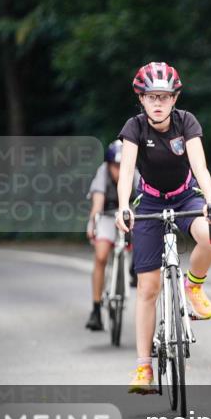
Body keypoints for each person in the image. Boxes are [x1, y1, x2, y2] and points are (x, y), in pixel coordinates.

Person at [115, 62, 211, 394]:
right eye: (151, 97)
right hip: (149, 202)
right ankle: (143, 368)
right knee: (148, 289)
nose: (158, 103)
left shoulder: (185, 122)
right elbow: (127, 170)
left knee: (210, 234)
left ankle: (194, 287)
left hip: (185, 197)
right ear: (142, 100)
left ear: (174, 98)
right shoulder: (134, 128)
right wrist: (122, 206)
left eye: (164, 97)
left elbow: (200, 166)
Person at [84, 140, 140, 331]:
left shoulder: (135, 173)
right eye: (115, 166)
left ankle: (134, 269)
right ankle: (96, 309)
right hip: (107, 215)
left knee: (143, 235)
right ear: (108, 165)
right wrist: (93, 223)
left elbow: (143, 200)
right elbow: (97, 202)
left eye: (122, 166)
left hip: (130, 213)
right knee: (100, 257)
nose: (119, 171)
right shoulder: (102, 173)